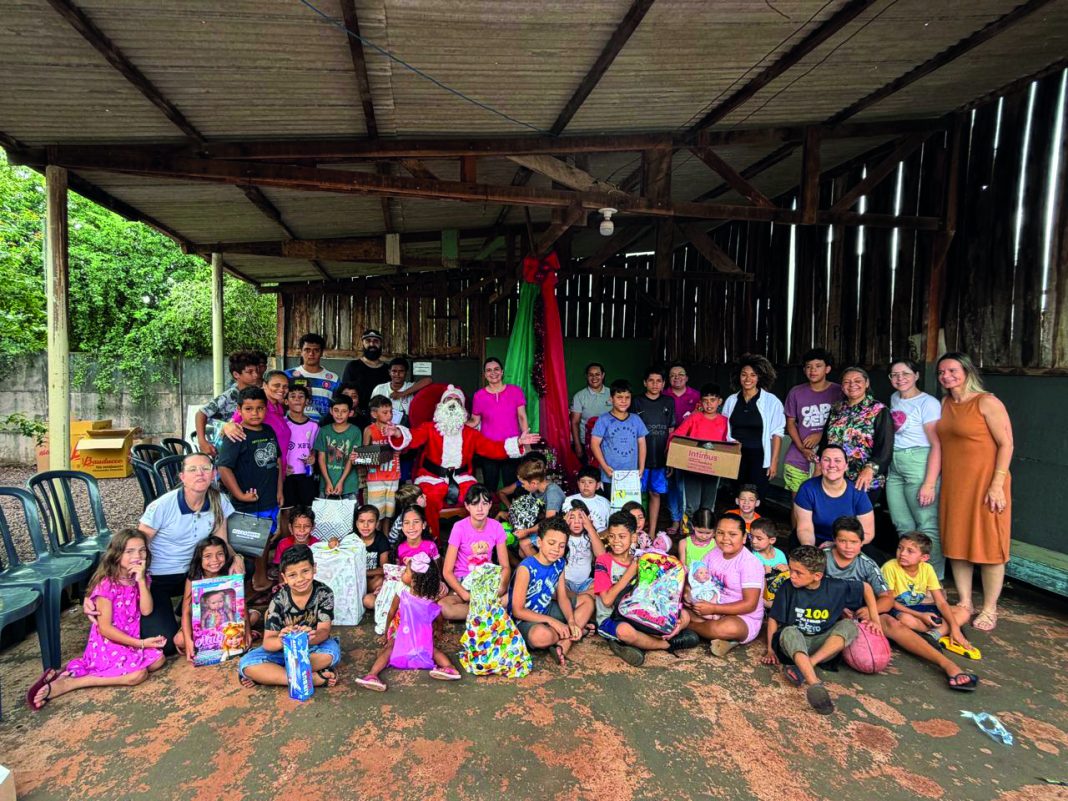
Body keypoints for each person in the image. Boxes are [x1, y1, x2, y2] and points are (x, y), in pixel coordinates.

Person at [828, 518, 979, 691]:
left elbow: (887, 599)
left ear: (862, 542)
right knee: (903, 620)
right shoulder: (823, 557)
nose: (848, 547)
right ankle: (928, 635)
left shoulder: (868, 565)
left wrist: (871, 611)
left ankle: (947, 664)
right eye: (842, 541)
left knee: (892, 622)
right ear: (834, 540)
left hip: (860, 612)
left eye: (854, 542)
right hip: (826, 611)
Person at [27, 529, 167, 711]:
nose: (137, 556)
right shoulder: (107, 585)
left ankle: (68, 674)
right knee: (137, 675)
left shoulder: (141, 578)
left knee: (159, 660)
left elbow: (146, 610)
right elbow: (105, 629)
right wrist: (141, 643)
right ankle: (72, 683)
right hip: (109, 643)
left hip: (129, 640)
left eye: (142, 550)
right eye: (129, 551)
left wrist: (141, 581)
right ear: (116, 555)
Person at [386, 384, 539, 539]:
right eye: (448, 399)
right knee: (425, 500)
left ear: (462, 408)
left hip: (462, 478)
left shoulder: (471, 433)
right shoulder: (429, 428)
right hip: (431, 478)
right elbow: (413, 437)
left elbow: (493, 448)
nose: (452, 403)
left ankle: (474, 541)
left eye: (457, 400)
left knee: (478, 498)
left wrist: (518, 442)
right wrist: (397, 432)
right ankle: (432, 542)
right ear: (441, 405)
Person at [937, 353, 1014, 632]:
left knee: (990, 545)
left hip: (986, 483)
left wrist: (997, 484)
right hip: (955, 483)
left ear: (967, 372)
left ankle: (990, 608)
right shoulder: (945, 403)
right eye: (941, 372)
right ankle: (966, 601)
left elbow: (1006, 444)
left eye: (952, 370)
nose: (946, 376)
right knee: (956, 543)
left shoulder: (987, 402)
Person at [132, 452, 236, 652]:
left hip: (195, 574)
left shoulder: (218, 500)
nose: (200, 474)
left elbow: (221, 543)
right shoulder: (163, 506)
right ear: (182, 477)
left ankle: (189, 611)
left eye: (205, 469)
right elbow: (135, 546)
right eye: (192, 469)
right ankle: (185, 617)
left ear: (213, 474)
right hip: (159, 577)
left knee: (241, 567)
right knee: (166, 645)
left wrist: (236, 558)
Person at [762, 545, 881, 715]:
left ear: (817, 576)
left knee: (849, 626)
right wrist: (770, 650)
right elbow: (774, 618)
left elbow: (866, 587)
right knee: (788, 631)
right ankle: (814, 683)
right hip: (794, 645)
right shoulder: (787, 587)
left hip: (823, 645)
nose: (791, 575)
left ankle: (807, 665)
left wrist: (875, 620)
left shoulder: (835, 587)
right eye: (791, 569)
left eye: (798, 573)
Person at [238, 544, 341, 691]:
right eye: (292, 575)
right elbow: (268, 643)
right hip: (282, 652)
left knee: (332, 653)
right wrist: (283, 640)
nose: (300, 579)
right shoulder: (278, 600)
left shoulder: (324, 593)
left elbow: (324, 631)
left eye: (305, 571)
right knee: (246, 663)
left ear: (314, 568)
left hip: (311, 647)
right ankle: (310, 678)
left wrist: (307, 638)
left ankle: (274, 675)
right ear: (284, 578)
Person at [355, 554, 461, 691]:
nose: (402, 573)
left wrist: (439, 630)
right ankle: (372, 675)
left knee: (394, 649)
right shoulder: (406, 590)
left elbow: (437, 614)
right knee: (426, 650)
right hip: (401, 627)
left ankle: (372, 675)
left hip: (415, 629)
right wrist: (386, 632)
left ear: (414, 580)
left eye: (405, 572)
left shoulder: (421, 594)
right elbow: (392, 612)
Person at [884, 359, 944, 578]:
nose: (900, 378)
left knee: (926, 524)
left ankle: (934, 578)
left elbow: (936, 444)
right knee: (902, 523)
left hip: (919, 462)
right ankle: (910, 577)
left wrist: (929, 483)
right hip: (895, 464)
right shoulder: (895, 398)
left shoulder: (928, 403)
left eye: (905, 374)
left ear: (916, 375)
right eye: (895, 375)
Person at [510, 518, 595, 665]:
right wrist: (553, 622)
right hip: (525, 619)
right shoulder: (526, 568)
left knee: (587, 601)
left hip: (546, 608)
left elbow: (562, 597)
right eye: (551, 543)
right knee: (541, 636)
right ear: (539, 542)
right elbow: (518, 611)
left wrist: (571, 621)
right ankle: (576, 632)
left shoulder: (559, 563)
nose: (556, 549)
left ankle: (566, 641)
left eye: (561, 546)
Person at [685, 513, 766, 658]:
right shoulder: (713, 553)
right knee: (677, 604)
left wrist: (713, 608)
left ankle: (687, 626)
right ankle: (704, 629)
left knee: (725, 628)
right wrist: (687, 593)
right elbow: (694, 577)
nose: (725, 538)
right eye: (720, 533)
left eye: (732, 534)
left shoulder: (750, 563)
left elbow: (750, 605)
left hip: (742, 617)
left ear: (744, 537)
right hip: (710, 607)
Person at [818, 366, 893, 503]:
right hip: (835, 477)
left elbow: (885, 447)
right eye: (846, 382)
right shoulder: (837, 410)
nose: (852, 385)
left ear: (867, 383)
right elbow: (825, 442)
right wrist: (819, 467)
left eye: (857, 381)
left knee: (858, 516)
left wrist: (870, 469)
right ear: (842, 386)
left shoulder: (879, 410)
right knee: (835, 514)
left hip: (864, 480)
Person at [175, 535, 256, 660]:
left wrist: (247, 632)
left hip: (226, 621)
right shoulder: (194, 578)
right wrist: (188, 640)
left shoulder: (230, 573)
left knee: (253, 618)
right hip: (202, 624)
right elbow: (185, 611)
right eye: (208, 556)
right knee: (179, 640)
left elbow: (241, 603)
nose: (215, 560)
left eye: (220, 554)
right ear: (199, 559)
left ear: (226, 555)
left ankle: (237, 635)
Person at [783, 348, 843, 507]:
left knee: (823, 503)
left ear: (827, 369)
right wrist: (802, 448)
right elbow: (790, 423)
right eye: (809, 367)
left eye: (818, 366)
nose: (813, 370)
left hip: (829, 460)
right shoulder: (796, 392)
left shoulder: (839, 392)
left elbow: (844, 422)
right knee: (798, 503)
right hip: (797, 457)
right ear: (804, 370)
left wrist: (820, 434)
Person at [442, 484, 510, 620]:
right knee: (444, 607)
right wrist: (465, 595)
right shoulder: (459, 527)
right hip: (464, 581)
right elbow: (447, 571)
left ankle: (480, 610)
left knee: (516, 594)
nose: (480, 509)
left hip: (488, 580)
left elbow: (505, 567)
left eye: (484, 503)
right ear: (467, 506)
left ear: (490, 505)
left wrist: (500, 588)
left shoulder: (496, 527)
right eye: (474, 504)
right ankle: (490, 610)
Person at [721, 354, 785, 496]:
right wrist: (730, 442)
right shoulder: (731, 400)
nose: (747, 379)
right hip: (736, 455)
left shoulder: (771, 401)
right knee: (737, 493)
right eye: (744, 374)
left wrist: (774, 462)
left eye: (753, 375)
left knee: (757, 495)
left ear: (759, 377)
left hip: (759, 456)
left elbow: (777, 433)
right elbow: (723, 428)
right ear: (738, 376)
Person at [794, 445, 875, 546]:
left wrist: (836, 545)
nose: (832, 465)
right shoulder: (807, 489)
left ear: (846, 466)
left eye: (837, 460)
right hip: (813, 540)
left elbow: (868, 533)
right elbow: (805, 529)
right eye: (826, 460)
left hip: (848, 544)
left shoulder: (857, 492)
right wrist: (811, 551)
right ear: (820, 464)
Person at [469, 357, 529, 492]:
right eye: (489, 370)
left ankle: (510, 506)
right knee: (490, 487)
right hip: (488, 448)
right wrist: (455, 424)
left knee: (512, 487)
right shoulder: (479, 395)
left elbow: (522, 417)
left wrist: (526, 443)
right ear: (485, 374)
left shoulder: (515, 391)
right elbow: (474, 421)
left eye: (496, 369)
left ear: (502, 372)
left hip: (512, 447)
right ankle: (490, 506)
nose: (493, 373)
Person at [670, 382, 728, 518]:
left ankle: (705, 530)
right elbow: (676, 436)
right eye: (705, 400)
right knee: (692, 506)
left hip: (713, 469)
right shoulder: (694, 418)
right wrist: (672, 455)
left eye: (712, 400)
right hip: (692, 468)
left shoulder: (725, 421)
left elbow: (729, 445)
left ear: (720, 401)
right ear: (700, 402)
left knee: (708, 506)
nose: (709, 404)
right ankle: (689, 530)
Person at [631, 366, 676, 534]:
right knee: (637, 494)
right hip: (639, 459)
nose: (655, 384)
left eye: (659, 381)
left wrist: (670, 458)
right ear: (645, 383)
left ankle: (651, 531)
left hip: (660, 458)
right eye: (651, 380)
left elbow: (671, 431)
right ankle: (636, 531)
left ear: (664, 384)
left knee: (655, 493)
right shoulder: (636, 401)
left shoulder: (668, 402)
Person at [590, 379, 648, 501]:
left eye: (627, 397)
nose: (623, 401)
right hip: (611, 475)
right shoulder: (603, 420)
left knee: (630, 507)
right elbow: (594, 444)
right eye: (619, 397)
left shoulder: (636, 419)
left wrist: (641, 467)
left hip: (631, 475)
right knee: (612, 506)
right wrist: (605, 467)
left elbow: (642, 444)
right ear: (611, 399)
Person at [196, 351, 260, 456]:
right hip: (230, 449)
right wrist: (202, 441)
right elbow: (201, 413)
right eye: (250, 372)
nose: (256, 375)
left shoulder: (259, 393)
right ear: (236, 374)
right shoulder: (229, 396)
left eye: (257, 370)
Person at [513, 458, 566, 556]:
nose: (522, 486)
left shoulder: (552, 492)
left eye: (523, 483)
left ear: (533, 483)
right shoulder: (536, 491)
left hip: (557, 529)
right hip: (547, 527)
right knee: (521, 552)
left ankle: (543, 565)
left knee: (524, 544)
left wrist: (527, 531)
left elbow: (549, 522)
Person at [364, 395, 402, 523]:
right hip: (375, 477)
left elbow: (404, 448)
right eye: (385, 412)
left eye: (391, 412)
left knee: (389, 513)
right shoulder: (369, 430)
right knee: (375, 512)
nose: (389, 415)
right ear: (374, 414)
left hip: (393, 475)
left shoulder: (396, 430)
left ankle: (386, 534)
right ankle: (376, 533)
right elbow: (364, 455)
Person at [286, 333, 339, 423]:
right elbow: (280, 404)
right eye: (307, 350)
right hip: (292, 426)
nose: (311, 354)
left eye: (316, 350)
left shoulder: (333, 379)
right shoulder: (288, 375)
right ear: (301, 351)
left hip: (323, 427)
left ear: (322, 353)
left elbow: (339, 406)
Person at [314, 395, 361, 499]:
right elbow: (321, 458)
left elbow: (351, 458)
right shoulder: (324, 431)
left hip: (349, 485)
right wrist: (328, 481)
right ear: (331, 411)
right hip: (326, 484)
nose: (339, 414)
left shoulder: (355, 431)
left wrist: (341, 482)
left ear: (350, 413)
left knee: (349, 510)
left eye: (344, 411)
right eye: (336, 410)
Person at [340, 329, 390, 416]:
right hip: (357, 415)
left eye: (376, 341)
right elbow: (345, 393)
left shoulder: (388, 370)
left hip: (381, 416)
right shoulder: (353, 366)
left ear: (381, 344)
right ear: (363, 344)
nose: (372, 344)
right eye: (368, 341)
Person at [570, 362, 612, 462]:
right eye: (591, 375)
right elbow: (575, 422)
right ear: (586, 376)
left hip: (609, 443)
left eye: (597, 374)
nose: (594, 378)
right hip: (586, 443)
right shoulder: (579, 396)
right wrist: (577, 445)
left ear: (603, 375)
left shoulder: (612, 393)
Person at [562, 500, 605, 595]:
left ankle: (577, 598)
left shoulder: (591, 535)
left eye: (581, 517)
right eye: (572, 517)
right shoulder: (562, 535)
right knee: (557, 589)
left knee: (602, 586)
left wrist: (590, 527)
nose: (577, 522)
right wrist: (563, 527)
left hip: (586, 583)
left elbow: (601, 555)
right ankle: (582, 598)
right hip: (565, 582)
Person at [370, 356, 430, 424]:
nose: (397, 374)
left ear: (406, 372)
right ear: (389, 372)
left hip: (405, 427)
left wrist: (402, 393)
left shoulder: (410, 387)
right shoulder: (379, 389)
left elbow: (428, 380)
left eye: (401, 371)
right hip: (383, 426)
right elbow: (373, 411)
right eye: (394, 371)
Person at [564, 466, 611, 533]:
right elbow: (564, 524)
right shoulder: (569, 500)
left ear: (598, 485)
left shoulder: (605, 503)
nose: (586, 485)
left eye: (590, 482)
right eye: (582, 482)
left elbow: (610, 527)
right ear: (578, 484)